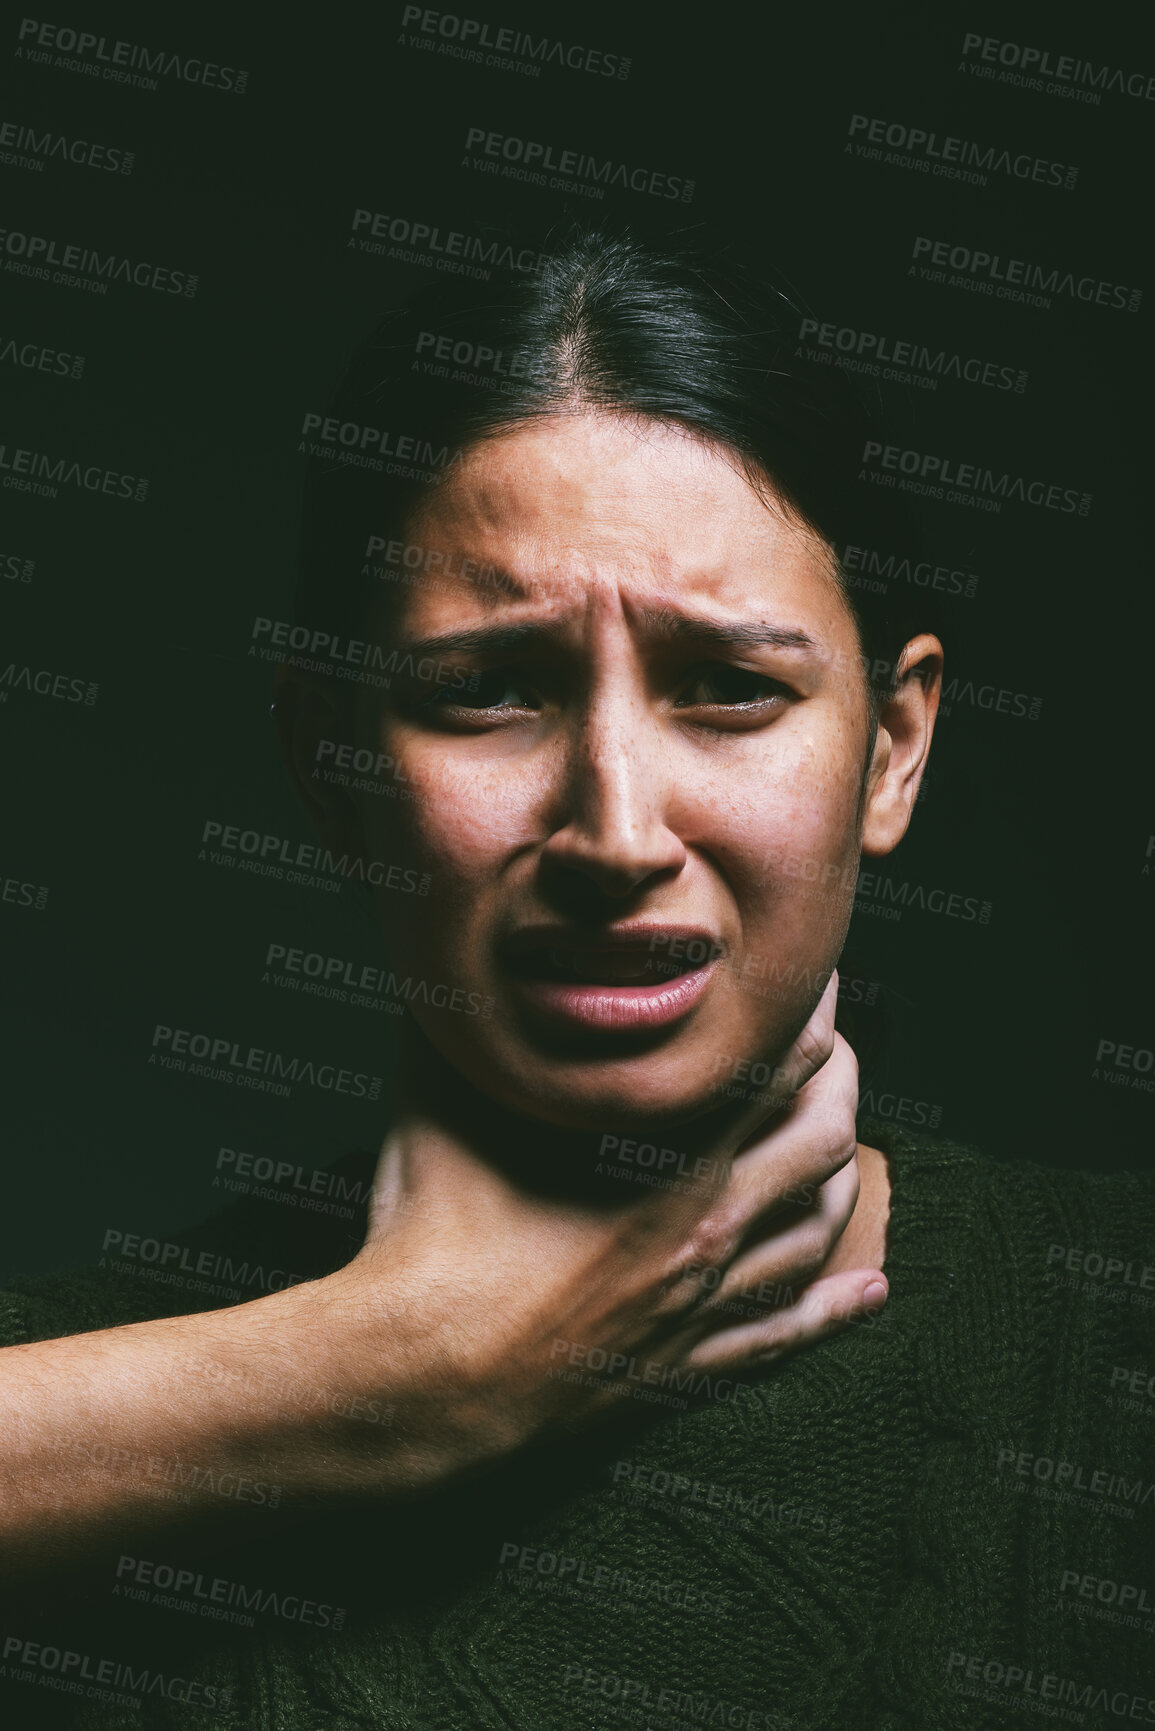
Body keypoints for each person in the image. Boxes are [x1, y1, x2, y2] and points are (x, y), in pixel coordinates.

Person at [1, 229, 1151, 1731]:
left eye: (732, 688)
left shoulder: (1106, 1345)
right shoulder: (81, 1392)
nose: (616, 831)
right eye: (487, 689)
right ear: (329, 765)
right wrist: (383, 1375)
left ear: (893, 748)